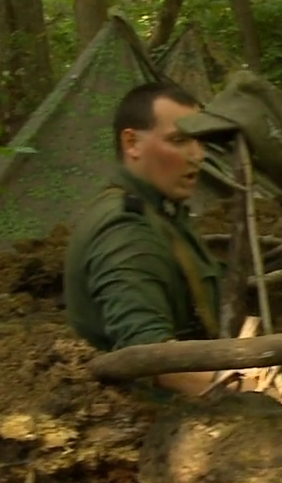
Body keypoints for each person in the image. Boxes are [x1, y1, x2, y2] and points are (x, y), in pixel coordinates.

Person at [65, 81, 262, 398]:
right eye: (179, 140)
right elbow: (152, 359)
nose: (197, 155)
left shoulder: (162, 213)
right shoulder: (126, 230)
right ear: (132, 143)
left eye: (198, 141)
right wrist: (252, 392)